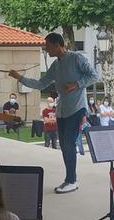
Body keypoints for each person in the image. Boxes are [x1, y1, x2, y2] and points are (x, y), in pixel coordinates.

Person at [10, 33, 98, 194]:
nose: (46, 49)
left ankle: (71, 180)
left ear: (58, 45)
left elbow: (94, 75)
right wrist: (20, 77)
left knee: (69, 144)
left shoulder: (77, 58)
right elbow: (41, 83)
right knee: (64, 145)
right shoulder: (55, 65)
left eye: (48, 45)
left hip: (77, 108)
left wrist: (77, 84)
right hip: (62, 110)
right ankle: (70, 179)